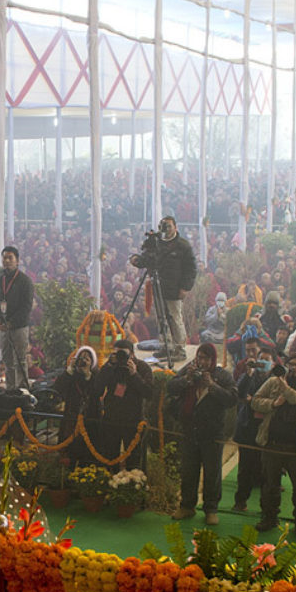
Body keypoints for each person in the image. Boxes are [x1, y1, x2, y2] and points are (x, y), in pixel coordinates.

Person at [168, 343, 238, 525]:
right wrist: (187, 380)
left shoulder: (222, 375)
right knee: (189, 471)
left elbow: (232, 399)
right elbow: (171, 387)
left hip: (213, 433)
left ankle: (211, 509)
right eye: (199, 357)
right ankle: (186, 506)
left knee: (212, 472)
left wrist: (212, 386)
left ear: (213, 359)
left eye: (206, 358)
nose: (202, 362)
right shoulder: (189, 370)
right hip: (190, 430)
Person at [252, 351, 296, 537]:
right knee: (269, 485)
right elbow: (255, 402)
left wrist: (287, 390)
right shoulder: (274, 381)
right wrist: (273, 403)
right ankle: (269, 517)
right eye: (291, 364)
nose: (293, 368)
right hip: (272, 443)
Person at [94, 338, 154, 470]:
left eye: (123, 354)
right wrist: (107, 367)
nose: (119, 357)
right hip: (111, 419)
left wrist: (134, 375)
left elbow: (148, 393)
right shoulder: (111, 367)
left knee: (134, 460)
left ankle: (133, 486)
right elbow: (97, 390)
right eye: (116, 354)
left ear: (132, 354)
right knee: (110, 458)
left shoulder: (142, 368)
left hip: (133, 420)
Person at [232, 344, 276, 511]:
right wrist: (248, 373)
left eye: (266, 360)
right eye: (261, 359)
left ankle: (267, 508)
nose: (262, 362)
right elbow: (240, 393)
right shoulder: (250, 375)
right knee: (245, 468)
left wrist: (254, 402)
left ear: (273, 363)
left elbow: (274, 403)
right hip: (247, 427)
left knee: (266, 470)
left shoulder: (277, 380)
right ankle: (240, 502)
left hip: (267, 429)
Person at [0, 246, 35, 391]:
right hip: (3, 327)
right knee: (8, 360)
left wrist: (11, 323)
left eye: (10, 258)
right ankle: (11, 389)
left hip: (19, 327)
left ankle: (22, 390)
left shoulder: (25, 281)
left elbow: (26, 307)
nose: (7, 260)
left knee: (20, 360)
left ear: (17, 261)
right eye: (4, 258)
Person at [152, 215, 197, 359]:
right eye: (163, 225)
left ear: (175, 227)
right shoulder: (157, 243)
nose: (166, 229)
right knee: (161, 318)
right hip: (159, 287)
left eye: (168, 226)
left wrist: (185, 287)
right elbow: (148, 259)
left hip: (175, 288)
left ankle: (179, 349)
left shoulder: (183, 245)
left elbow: (191, 269)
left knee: (175, 318)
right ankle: (166, 346)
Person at [52, 345, 99, 464]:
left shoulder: (95, 377)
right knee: (67, 451)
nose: (83, 361)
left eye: (87, 359)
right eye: (81, 358)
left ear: (92, 363)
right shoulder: (71, 375)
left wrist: (88, 375)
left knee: (86, 452)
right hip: (70, 418)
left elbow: (96, 393)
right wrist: (69, 371)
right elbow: (57, 389)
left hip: (88, 419)